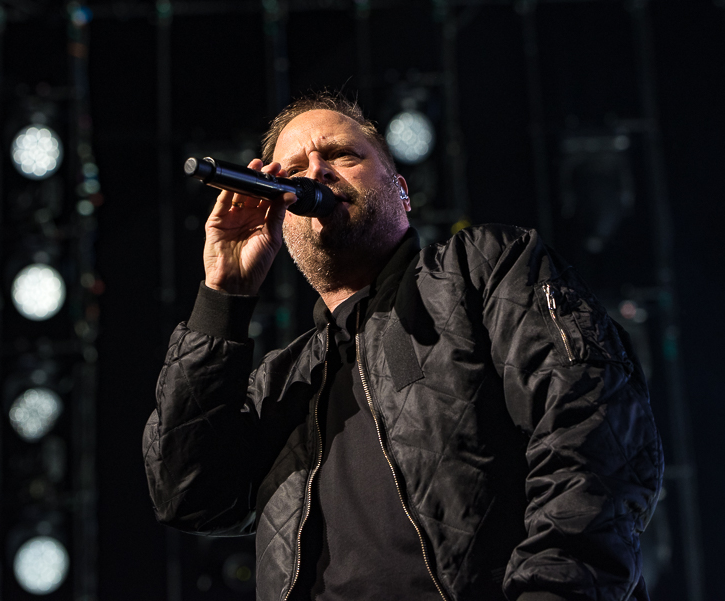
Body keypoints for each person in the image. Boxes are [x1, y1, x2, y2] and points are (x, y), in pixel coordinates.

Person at [143, 91, 663, 601]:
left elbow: (593, 432)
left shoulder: (484, 269)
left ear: (401, 190)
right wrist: (224, 296)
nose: (315, 172)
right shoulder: (283, 381)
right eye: (293, 169)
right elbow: (187, 495)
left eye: (342, 155)